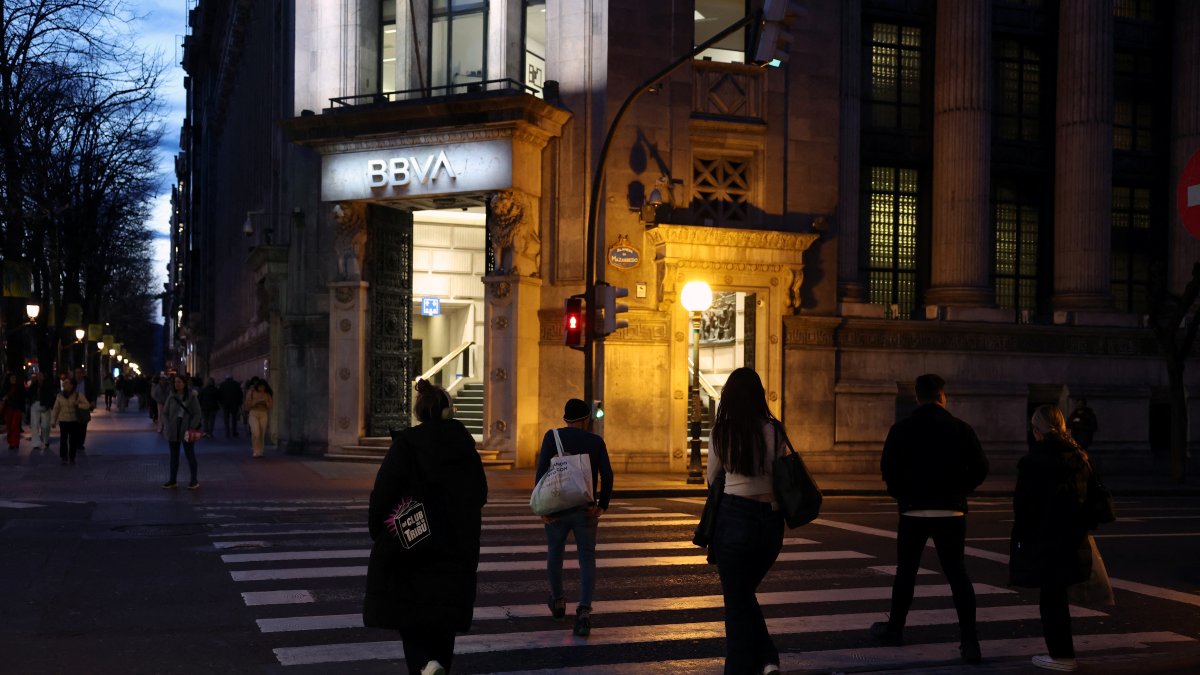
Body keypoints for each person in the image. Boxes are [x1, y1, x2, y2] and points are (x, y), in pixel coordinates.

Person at [364, 379, 487, 675]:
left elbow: (382, 495)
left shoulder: (406, 445)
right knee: (445, 620)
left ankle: (424, 663)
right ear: (449, 411)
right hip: (455, 547)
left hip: (412, 544)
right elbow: (479, 493)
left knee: (411, 618)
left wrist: (380, 532)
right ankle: (438, 663)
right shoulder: (465, 447)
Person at [870, 373, 989, 665]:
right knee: (957, 574)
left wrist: (903, 495)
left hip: (913, 510)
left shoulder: (901, 430)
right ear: (942, 396)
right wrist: (961, 491)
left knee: (906, 572)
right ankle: (969, 640)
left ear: (917, 396)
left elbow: (888, 469)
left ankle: (895, 628)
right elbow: (980, 468)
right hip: (951, 510)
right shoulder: (961, 429)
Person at [704, 367, 788, 674]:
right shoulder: (775, 429)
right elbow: (781, 472)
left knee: (737, 600)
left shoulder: (721, 432)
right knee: (742, 596)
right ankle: (765, 660)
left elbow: (712, 478)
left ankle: (748, 664)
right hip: (771, 522)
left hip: (734, 517)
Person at [1010, 405, 1093, 673]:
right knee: (1059, 597)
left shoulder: (1033, 461)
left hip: (1045, 539)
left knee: (1051, 599)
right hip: (1073, 537)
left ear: (1037, 431)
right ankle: (1062, 653)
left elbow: (1023, 508)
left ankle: (1062, 655)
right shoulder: (1079, 456)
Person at [535, 397, 614, 639]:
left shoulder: (552, 437)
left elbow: (541, 473)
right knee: (587, 558)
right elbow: (607, 475)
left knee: (555, 553)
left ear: (566, 419)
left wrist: (543, 509)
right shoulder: (595, 441)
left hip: (557, 507)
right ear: (585, 419)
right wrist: (602, 506)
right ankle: (584, 612)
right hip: (585, 509)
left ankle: (558, 600)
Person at [161, 374, 202, 489]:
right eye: (175, 382)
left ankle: (194, 480)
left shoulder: (192, 397)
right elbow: (165, 412)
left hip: (186, 430)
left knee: (190, 455)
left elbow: (197, 413)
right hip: (173, 430)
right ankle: (172, 480)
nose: (177, 384)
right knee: (174, 456)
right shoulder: (171, 396)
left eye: (179, 382)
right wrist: (167, 425)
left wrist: (191, 426)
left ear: (185, 383)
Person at [50, 377, 88, 465]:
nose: (64, 384)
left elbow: (87, 405)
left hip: (74, 420)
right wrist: (53, 421)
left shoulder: (78, 395)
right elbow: (56, 409)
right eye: (64, 383)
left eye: (66, 383)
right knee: (63, 439)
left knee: (72, 440)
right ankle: (63, 456)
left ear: (71, 385)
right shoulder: (59, 395)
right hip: (63, 420)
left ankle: (72, 457)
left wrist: (78, 404)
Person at [244, 379, 273, 457]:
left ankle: (260, 449)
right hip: (254, 413)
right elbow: (247, 405)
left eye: (263, 387)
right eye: (260, 387)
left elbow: (270, 405)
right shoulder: (252, 392)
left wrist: (265, 403)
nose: (262, 389)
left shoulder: (267, 394)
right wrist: (255, 402)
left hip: (263, 413)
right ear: (257, 386)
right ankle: (255, 449)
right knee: (256, 431)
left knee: (262, 432)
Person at [30, 371, 57, 452]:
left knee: (45, 425)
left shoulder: (48, 385)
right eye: (38, 375)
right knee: (34, 424)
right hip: (35, 404)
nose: (39, 377)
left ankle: (46, 439)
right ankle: (36, 443)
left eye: (41, 375)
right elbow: (30, 393)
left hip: (45, 405)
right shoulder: (34, 385)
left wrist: (48, 405)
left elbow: (51, 396)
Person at [2, 372, 27, 450]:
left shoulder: (19, 387)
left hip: (17, 408)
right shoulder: (5, 388)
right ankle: (11, 442)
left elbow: (23, 397)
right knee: (9, 426)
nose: (13, 379)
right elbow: (2, 397)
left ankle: (15, 442)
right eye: (12, 378)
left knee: (15, 426)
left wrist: (22, 409)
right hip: (8, 408)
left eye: (14, 378)